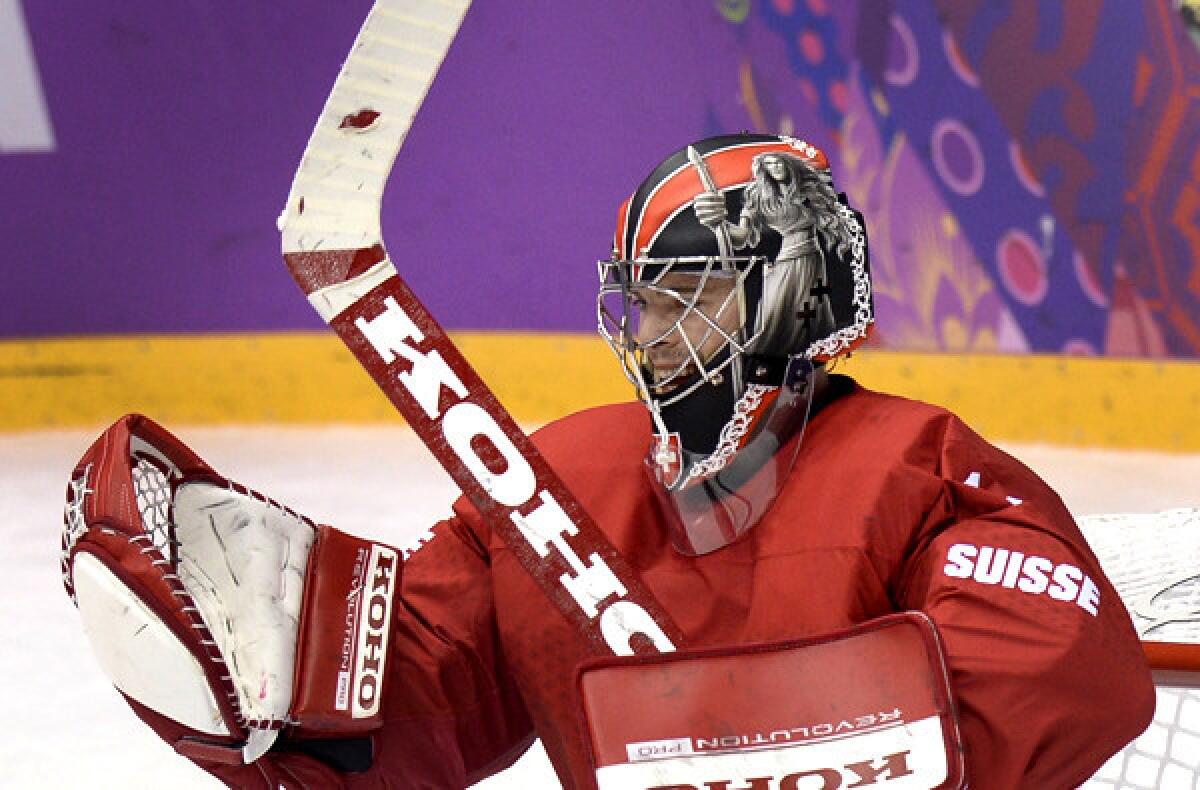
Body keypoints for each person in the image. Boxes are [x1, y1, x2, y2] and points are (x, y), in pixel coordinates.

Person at [63, 133, 1154, 789]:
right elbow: (430, 701)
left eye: (698, 293)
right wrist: (299, 690)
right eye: (646, 300)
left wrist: (784, 745)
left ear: (793, 293)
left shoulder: (920, 464)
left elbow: (1068, 669)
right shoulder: (555, 481)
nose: (659, 334)